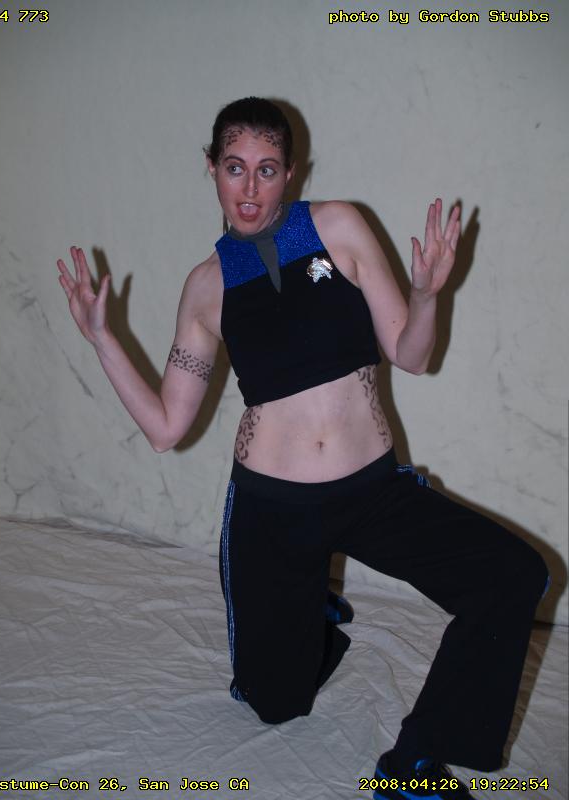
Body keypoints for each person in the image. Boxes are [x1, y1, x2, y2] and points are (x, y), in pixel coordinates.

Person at [57, 97, 549, 800]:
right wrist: (102, 338)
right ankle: (312, 617)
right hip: (272, 509)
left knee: (511, 575)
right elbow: (167, 427)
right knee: (275, 704)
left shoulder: (338, 227)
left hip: (372, 491)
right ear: (211, 169)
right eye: (234, 167)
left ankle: (415, 761)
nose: (250, 187)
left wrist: (425, 295)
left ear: (291, 173)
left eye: (267, 169)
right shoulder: (207, 287)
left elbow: (411, 355)